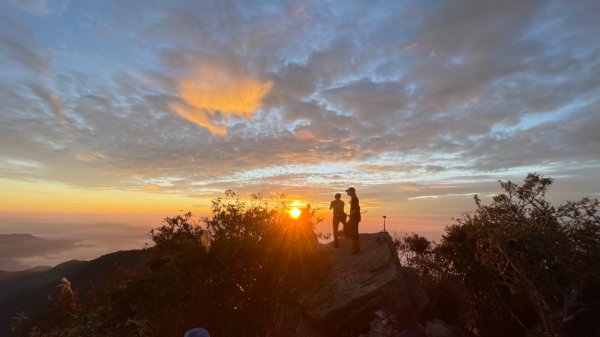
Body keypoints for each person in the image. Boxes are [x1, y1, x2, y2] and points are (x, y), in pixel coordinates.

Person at [346, 187, 361, 253]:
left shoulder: (354, 198)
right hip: (354, 217)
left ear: (352, 192)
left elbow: (356, 208)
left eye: (348, 191)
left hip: (354, 217)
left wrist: (351, 214)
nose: (347, 193)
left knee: (354, 232)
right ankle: (355, 246)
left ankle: (356, 248)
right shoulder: (353, 198)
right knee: (353, 231)